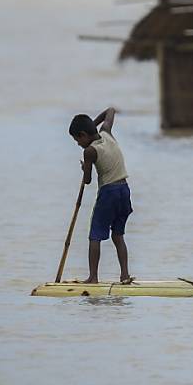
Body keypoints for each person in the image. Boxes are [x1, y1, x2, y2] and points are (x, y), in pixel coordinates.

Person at [68, 107, 134, 284]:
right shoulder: (106, 134)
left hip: (109, 193)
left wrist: (84, 168)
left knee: (95, 235)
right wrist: (94, 126)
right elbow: (110, 111)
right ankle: (125, 275)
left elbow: (88, 180)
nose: (78, 144)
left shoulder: (89, 151)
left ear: (83, 135)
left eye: (77, 140)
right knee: (117, 235)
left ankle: (93, 277)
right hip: (124, 190)